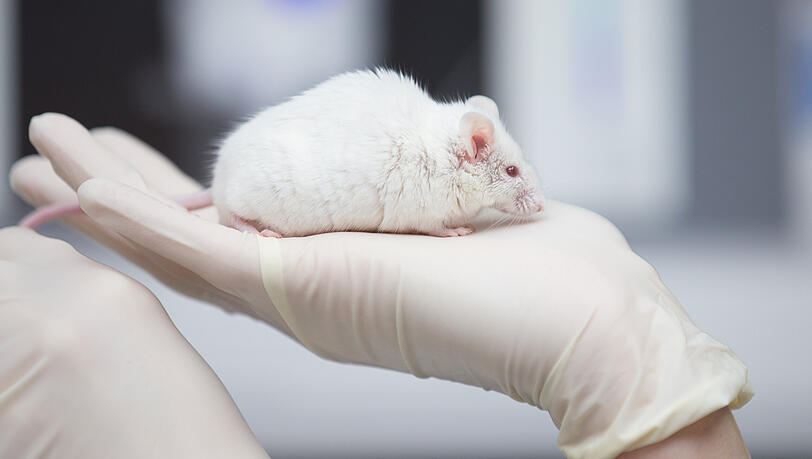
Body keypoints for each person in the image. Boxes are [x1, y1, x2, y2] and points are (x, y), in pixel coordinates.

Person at [2, 113, 753, 458]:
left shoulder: (453, 158)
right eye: (513, 175)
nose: (529, 193)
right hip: (269, 179)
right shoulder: (440, 162)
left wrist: (625, 364)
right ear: (476, 150)